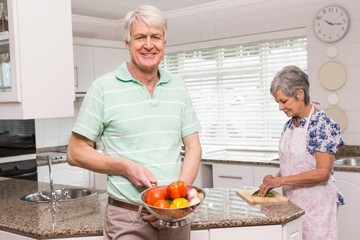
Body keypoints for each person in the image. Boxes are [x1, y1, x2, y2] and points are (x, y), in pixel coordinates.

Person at [66, 5, 202, 240]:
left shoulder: (178, 86)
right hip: (128, 217)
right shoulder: (103, 88)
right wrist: (125, 166)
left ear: (164, 43)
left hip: (175, 217)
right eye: (140, 37)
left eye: (155, 37)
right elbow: (75, 152)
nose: (149, 45)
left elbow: (193, 147)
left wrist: (171, 205)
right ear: (127, 43)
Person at [257, 65, 345, 240]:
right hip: (293, 203)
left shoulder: (323, 124)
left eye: (284, 101)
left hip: (317, 206)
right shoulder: (290, 124)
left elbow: (322, 172)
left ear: (300, 94)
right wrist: (273, 180)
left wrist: (280, 181)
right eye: (278, 102)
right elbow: (293, 163)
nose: (280, 107)